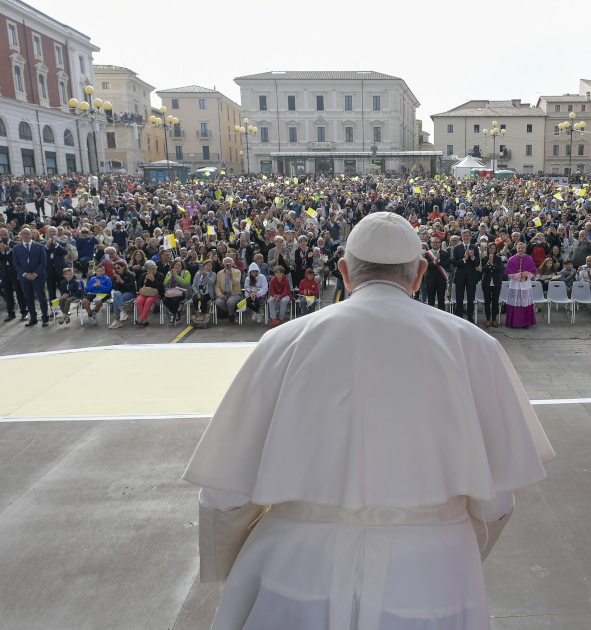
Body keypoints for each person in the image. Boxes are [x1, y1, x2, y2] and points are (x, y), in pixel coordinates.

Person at [182, 211, 553, 630]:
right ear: (419, 275)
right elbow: (496, 500)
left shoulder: (283, 342)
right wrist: (448, 543)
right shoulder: (475, 346)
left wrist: (235, 565)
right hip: (432, 577)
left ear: (343, 271)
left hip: (297, 568)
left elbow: (226, 494)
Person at [13, 227, 50, 327]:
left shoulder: (39, 247)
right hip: (24, 278)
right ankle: (33, 318)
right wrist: (25, 274)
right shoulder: (16, 249)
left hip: (38, 277)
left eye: (27, 233)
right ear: (21, 235)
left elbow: (43, 262)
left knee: (41, 297)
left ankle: (45, 317)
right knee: (28, 298)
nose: (25, 235)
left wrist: (35, 274)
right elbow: (16, 265)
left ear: (31, 234)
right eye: (23, 234)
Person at [505, 241, 536, 328]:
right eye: (519, 248)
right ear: (516, 249)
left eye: (522, 248)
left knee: (525, 302)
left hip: (525, 284)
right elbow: (509, 273)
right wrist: (521, 275)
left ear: (525, 249)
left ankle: (525, 323)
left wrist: (527, 275)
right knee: (515, 302)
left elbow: (533, 271)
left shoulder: (530, 259)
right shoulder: (511, 259)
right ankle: (514, 322)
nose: (520, 249)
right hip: (515, 284)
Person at [452, 229, 480, 323]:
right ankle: (459, 319)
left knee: (470, 299)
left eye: (467, 235)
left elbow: (477, 264)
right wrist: (464, 259)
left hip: (471, 278)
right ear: (462, 237)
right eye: (464, 236)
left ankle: (470, 319)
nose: (466, 237)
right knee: (459, 299)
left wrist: (472, 257)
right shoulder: (457, 248)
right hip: (460, 277)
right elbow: (454, 263)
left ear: (470, 237)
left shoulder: (475, 248)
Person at [480, 242, 504, 328]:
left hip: (496, 282)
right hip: (486, 282)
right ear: (488, 249)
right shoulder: (484, 258)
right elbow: (483, 270)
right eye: (490, 248)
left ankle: (494, 319)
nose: (492, 250)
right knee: (487, 302)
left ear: (496, 250)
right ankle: (488, 320)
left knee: (495, 301)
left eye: (493, 248)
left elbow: (500, 269)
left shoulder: (498, 258)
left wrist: (492, 264)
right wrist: (488, 263)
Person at [162, 258, 192, 325]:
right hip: (171, 292)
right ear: (173, 266)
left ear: (182, 266)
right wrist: (171, 277)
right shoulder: (169, 273)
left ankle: (172, 316)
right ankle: (175, 313)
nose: (178, 267)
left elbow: (186, 283)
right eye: (176, 265)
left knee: (175, 301)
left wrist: (176, 277)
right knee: (165, 300)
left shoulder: (186, 273)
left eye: (179, 265)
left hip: (183, 292)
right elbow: (165, 284)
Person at [135, 260, 163, 327]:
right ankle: (145, 320)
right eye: (152, 269)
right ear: (147, 269)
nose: (154, 270)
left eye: (155, 268)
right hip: (145, 292)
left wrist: (153, 280)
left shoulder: (160, 275)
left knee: (148, 300)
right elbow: (140, 285)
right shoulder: (143, 275)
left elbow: (161, 287)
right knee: (139, 300)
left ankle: (141, 319)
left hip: (156, 293)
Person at [215, 257, 244, 322]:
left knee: (230, 302)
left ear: (233, 263)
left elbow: (237, 283)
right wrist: (219, 294)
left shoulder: (237, 272)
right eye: (226, 262)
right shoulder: (219, 273)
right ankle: (233, 311)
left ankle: (231, 315)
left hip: (235, 294)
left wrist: (231, 276)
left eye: (229, 262)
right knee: (218, 302)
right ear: (223, 264)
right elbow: (217, 286)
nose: (228, 263)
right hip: (224, 294)